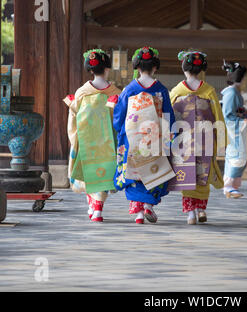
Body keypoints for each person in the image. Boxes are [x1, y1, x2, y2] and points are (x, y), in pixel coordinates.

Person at [113, 46, 176, 224]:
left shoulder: (129, 89)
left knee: (134, 173)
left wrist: (119, 129)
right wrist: (169, 136)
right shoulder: (161, 90)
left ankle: (139, 213)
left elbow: (120, 115)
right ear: (155, 67)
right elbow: (168, 115)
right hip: (154, 139)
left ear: (137, 68)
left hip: (132, 139)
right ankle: (148, 207)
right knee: (153, 171)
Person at [64, 49, 121, 222]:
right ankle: (97, 208)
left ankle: (94, 207)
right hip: (107, 141)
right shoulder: (116, 92)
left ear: (90, 70)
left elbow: (73, 119)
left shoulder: (82, 92)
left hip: (87, 139)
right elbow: (120, 119)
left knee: (89, 173)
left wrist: (75, 138)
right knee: (103, 173)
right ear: (107, 69)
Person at [169, 51, 225, 225]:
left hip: (182, 140)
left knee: (185, 174)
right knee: (203, 174)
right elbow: (218, 117)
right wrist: (221, 140)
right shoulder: (208, 91)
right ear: (201, 69)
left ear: (184, 68)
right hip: (205, 139)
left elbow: (168, 116)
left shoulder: (177, 92)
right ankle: (201, 210)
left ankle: (191, 214)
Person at [221, 61, 247, 199]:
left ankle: (231, 185)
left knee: (237, 155)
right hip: (234, 129)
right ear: (241, 78)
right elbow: (227, 115)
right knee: (237, 156)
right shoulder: (231, 93)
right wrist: (242, 119)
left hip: (237, 129)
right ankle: (229, 186)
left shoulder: (233, 92)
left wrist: (243, 115)